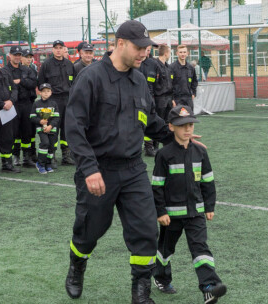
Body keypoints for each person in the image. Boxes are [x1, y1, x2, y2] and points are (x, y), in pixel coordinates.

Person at [64, 20, 181, 304]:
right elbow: (74, 126)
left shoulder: (140, 80)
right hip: (99, 170)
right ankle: (77, 265)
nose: (144, 54)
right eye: (139, 48)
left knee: (145, 229)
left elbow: (149, 119)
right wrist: (89, 169)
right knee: (90, 230)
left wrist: (175, 136)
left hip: (132, 169)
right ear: (119, 44)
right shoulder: (91, 77)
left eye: (147, 48)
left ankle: (140, 293)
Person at [152, 105, 227, 304]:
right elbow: (157, 186)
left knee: (201, 248)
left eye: (191, 125)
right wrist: (160, 212)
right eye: (182, 125)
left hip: (196, 213)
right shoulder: (164, 155)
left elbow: (207, 181)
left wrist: (209, 206)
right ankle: (161, 277)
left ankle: (209, 287)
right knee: (165, 251)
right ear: (171, 127)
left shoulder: (200, 152)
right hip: (171, 216)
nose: (188, 129)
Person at [38, 39, 75, 167]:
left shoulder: (69, 64)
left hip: (67, 99)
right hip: (52, 101)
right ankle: (51, 155)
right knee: (52, 128)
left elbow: (73, 82)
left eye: (61, 47)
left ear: (64, 49)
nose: (58, 50)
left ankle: (66, 155)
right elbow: (40, 83)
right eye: (56, 48)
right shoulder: (46, 64)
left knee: (66, 128)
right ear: (52, 50)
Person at [4, 46, 38, 168]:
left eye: (19, 55)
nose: (17, 57)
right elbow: (6, 85)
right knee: (13, 132)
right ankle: (15, 157)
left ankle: (27, 158)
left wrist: (21, 81)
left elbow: (33, 83)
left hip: (26, 103)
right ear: (10, 56)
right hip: (12, 104)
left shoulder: (26, 69)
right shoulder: (5, 70)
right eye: (15, 55)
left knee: (27, 131)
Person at [30, 83, 59, 174]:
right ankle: (40, 164)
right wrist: (40, 121)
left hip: (51, 129)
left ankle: (48, 164)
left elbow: (57, 117)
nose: (46, 93)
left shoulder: (53, 103)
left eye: (48, 91)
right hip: (41, 129)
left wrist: (50, 126)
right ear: (40, 93)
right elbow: (32, 117)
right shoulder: (36, 103)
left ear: (51, 92)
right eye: (43, 91)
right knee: (45, 143)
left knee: (51, 146)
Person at [138, 45, 161, 157]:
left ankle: (149, 147)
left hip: (150, 97)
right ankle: (137, 147)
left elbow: (158, 82)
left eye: (148, 49)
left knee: (149, 121)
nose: (147, 51)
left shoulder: (153, 64)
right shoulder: (134, 62)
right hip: (136, 97)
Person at [171, 45, 198, 109]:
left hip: (188, 99)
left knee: (190, 118)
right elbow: (169, 84)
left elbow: (194, 81)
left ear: (187, 53)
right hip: (177, 99)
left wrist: (194, 93)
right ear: (177, 53)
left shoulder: (191, 68)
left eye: (184, 52)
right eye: (180, 52)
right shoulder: (172, 67)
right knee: (178, 119)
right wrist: (172, 99)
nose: (183, 54)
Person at [154, 44, 174, 124]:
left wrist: (172, 99)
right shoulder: (155, 65)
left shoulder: (168, 67)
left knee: (168, 122)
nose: (170, 55)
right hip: (160, 99)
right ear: (166, 54)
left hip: (168, 99)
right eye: (169, 53)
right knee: (159, 121)